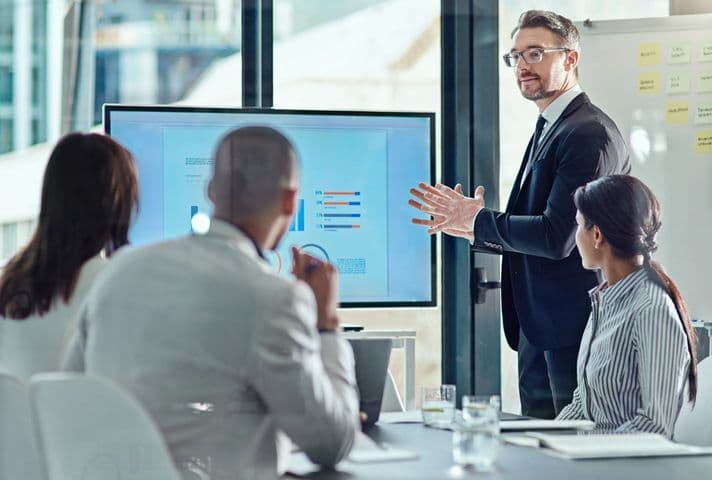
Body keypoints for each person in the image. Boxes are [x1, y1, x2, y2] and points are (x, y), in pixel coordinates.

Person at [64, 126, 359, 479]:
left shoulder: (120, 269)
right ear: (290, 201)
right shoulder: (274, 297)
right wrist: (326, 324)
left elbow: (68, 393)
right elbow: (332, 443)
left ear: (210, 191)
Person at [409, 10, 631, 418]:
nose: (523, 66)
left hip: (573, 329)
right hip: (539, 326)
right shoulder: (552, 125)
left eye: (535, 53)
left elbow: (557, 236)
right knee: (538, 447)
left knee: (570, 452)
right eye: (515, 57)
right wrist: (474, 225)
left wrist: (477, 221)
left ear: (570, 58)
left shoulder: (588, 134)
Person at [556, 174, 697, 438]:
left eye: (578, 225)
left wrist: (588, 453)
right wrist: (542, 441)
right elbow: (583, 405)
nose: (575, 237)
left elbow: (655, 425)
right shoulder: (605, 301)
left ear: (596, 234)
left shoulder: (651, 309)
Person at [0, 132, 138, 381]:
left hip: (20, 419)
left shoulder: (9, 280)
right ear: (117, 205)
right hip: (85, 418)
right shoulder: (114, 283)